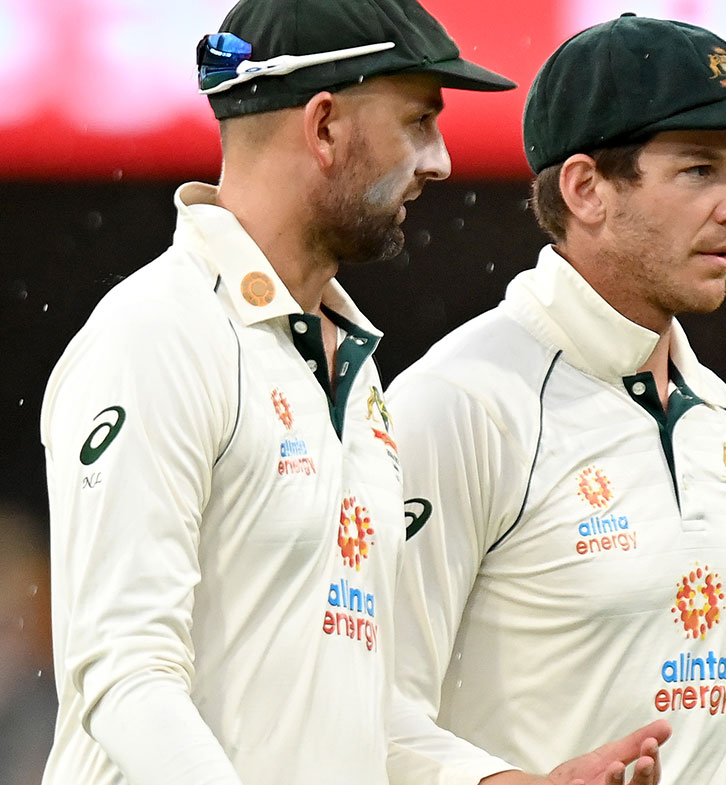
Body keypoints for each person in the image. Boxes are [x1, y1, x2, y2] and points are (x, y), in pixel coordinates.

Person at [40, 1, 667, 783]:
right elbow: (125, 675)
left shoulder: (355, 369)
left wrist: (506, 783)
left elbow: (359, 715)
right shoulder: (158, 333)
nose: (439, 161)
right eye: (417, 121)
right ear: (325, 126)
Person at [385, 13, 726, 785]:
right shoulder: (459, 401)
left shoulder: (717, 412)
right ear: (586, 189)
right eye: (699, 171)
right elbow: (360, 706)